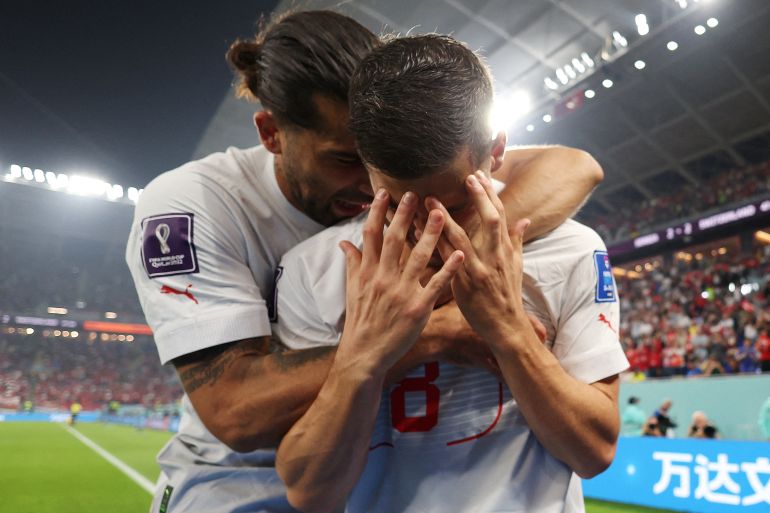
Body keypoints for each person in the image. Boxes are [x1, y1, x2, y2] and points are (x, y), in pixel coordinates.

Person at [124, 10, 604, 513]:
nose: (373, 183)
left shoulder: (400, 175)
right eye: (345, 159)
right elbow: (235, 414)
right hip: (236, 487)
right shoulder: (191, 205)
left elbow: (574, 166)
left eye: (379, 159)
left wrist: (454, 259)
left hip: (356, 478)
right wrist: (430, 330)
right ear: (271, 134)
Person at [273, 34, 627, 513]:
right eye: (397, 203)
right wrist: (363, 358)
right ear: (369, 168)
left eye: (455, 202)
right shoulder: (313, 269)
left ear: (496, 150)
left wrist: (509, 332)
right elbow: (309, 492)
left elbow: (595, 451)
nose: (427, 223)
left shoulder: (571, 248)